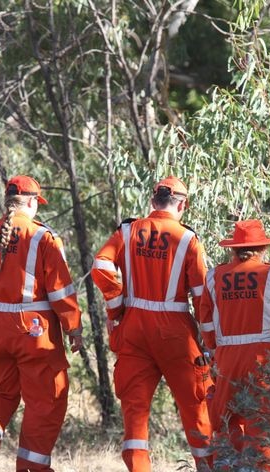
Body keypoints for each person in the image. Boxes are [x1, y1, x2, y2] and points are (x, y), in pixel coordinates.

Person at [0, 175, 83, 472]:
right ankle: (31, 467)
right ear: (30, 202)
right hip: (34, 330)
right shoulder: (42, 237)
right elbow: (60, 289)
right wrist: (73, 327)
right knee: (45, 401)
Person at [91, 176, 213, 472]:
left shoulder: (128, 230)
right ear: (182, 205)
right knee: (197, 405)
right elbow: (202, 299)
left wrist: (115, 308)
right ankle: (209, 466)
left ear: (152, 201)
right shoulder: (187, 239)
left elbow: (101, 265)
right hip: (175, 332)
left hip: (134, 328)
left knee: (135, 411)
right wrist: (211, 343)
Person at [198, 219, 270, 472]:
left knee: (225, 420)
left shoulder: (214, 276)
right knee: (263, 425)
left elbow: (205, 321)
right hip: (264, 361)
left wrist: (216, 351)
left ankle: (229, 466)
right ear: (262, 248)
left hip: (227, 359)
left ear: (233, 249)